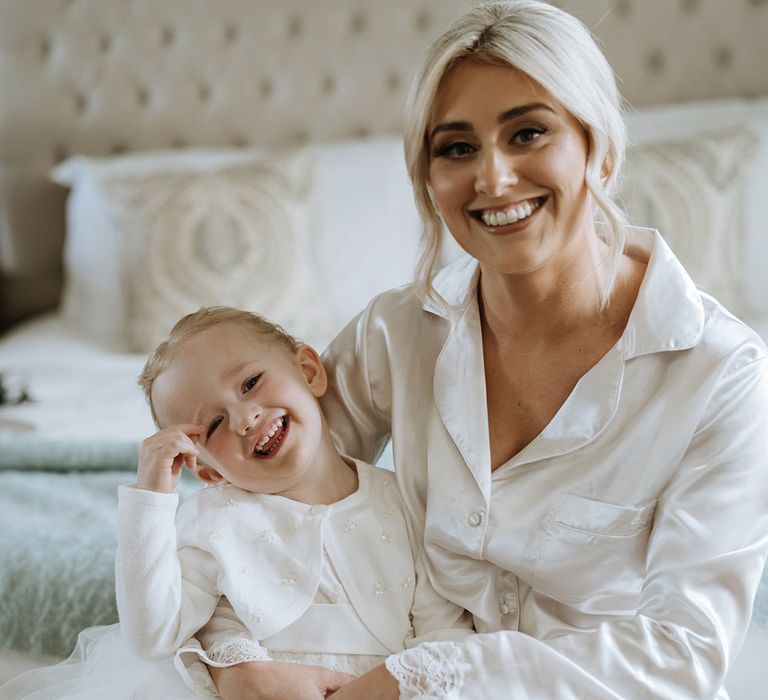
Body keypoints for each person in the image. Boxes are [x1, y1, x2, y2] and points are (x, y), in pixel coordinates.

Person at [208, 1, 768, 699]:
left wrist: (423, 679)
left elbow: (683, 652)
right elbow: (254, 504)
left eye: (528, 133)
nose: (493, 180)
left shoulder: (720, 373)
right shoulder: (396, 333)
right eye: (457, 147)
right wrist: (234, 658)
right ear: (428, 178)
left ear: (600, 146)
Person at [0, 307, 471, 700]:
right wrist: (150, 501)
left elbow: (446, 630)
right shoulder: (216, 518)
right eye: (214, 426)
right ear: (207, 471)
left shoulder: (403, 498)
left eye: (250, 384)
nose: (245, 419)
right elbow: (152, 636)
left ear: (308, 370)